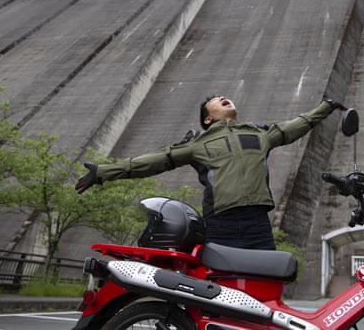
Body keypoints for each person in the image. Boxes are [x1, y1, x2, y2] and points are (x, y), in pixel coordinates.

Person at [75, 95, 345, 250]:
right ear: (207, 118)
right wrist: (103, 172)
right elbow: (154, 161)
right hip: (220, 223)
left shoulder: (260, 134)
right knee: (218, 291)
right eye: (217, 100)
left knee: (265, 286)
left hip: (258, 223)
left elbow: (299, 124)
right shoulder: (198, 144)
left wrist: (326, 106)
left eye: (225, 97)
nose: (224, 97)